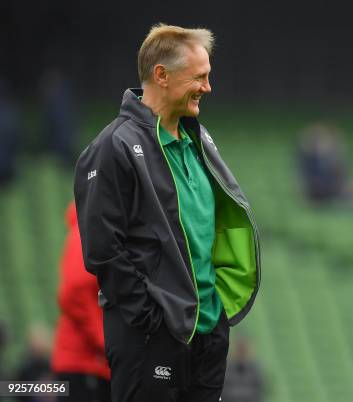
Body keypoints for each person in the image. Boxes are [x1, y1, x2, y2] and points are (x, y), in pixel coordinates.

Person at [74, 24, 261, 402]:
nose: (208, 87)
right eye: (200, 77)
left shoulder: (199, 139)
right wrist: (152, 322)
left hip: (208, 334)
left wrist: (217, 316)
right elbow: (103, 251)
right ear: (161, 74)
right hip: (152, 338)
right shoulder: (114, 146)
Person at [51, 201, 111, 402]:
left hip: (90, 365)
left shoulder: (93, 228)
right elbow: (74, 291)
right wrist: (105, 340)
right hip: (84, 364)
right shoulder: (87, 231)